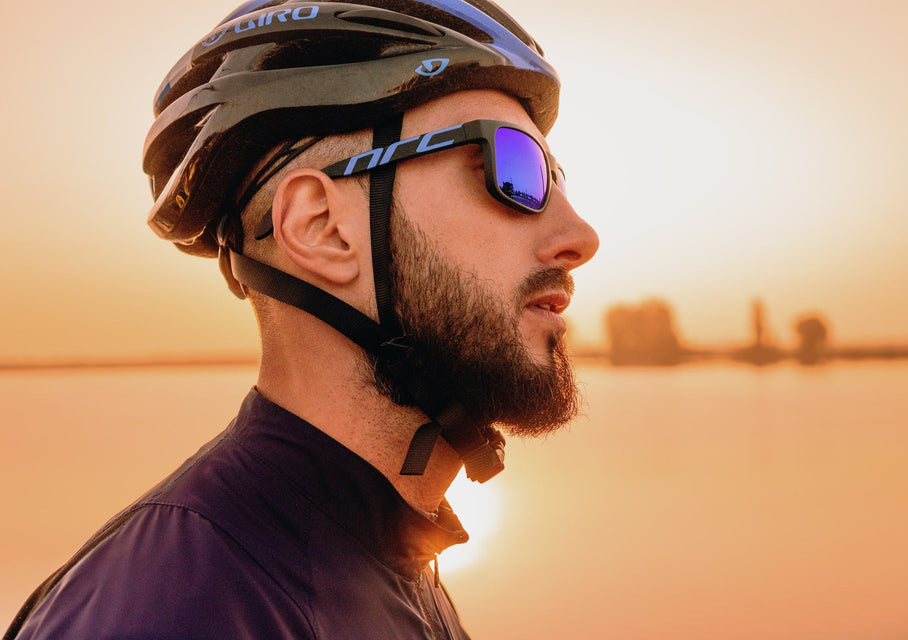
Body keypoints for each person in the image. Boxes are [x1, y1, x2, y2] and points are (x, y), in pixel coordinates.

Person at [4, 0, 598, 637]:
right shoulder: (179, 611)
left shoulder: (381, 556)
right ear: (321, 228)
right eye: (515, 169)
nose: (580, 236)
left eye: (557, 178)